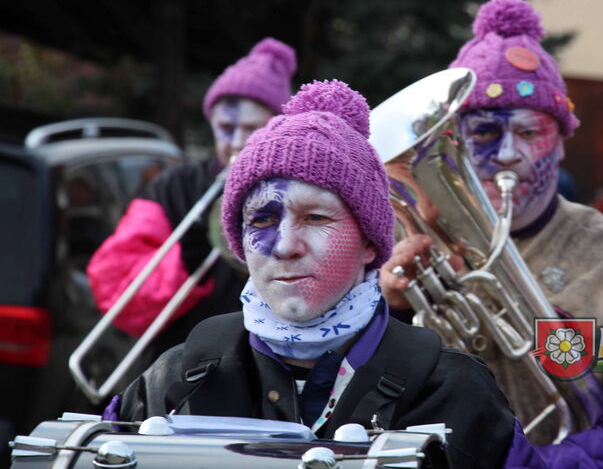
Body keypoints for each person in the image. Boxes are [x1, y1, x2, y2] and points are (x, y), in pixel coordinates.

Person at [103, 80, 547, 469]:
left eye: (315, 218)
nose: (283, 245)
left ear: (370, 243)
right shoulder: (172, 380)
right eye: (260, 221)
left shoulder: (454, 392)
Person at [380, 0, 603, 468]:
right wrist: (391, 311)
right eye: (486, 132)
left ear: (562, 144)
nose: (508, 153)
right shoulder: (400, 247)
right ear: (454, 141)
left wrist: (516, 461)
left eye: (530, 133)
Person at [87, 37, 296, 359]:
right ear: (211, 123)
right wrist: (185, 257)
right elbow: (115, 292)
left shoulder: (300, 188)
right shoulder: (174, 187)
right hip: (180, 369)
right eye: (226, 127)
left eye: (253, 128)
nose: (237, 142)